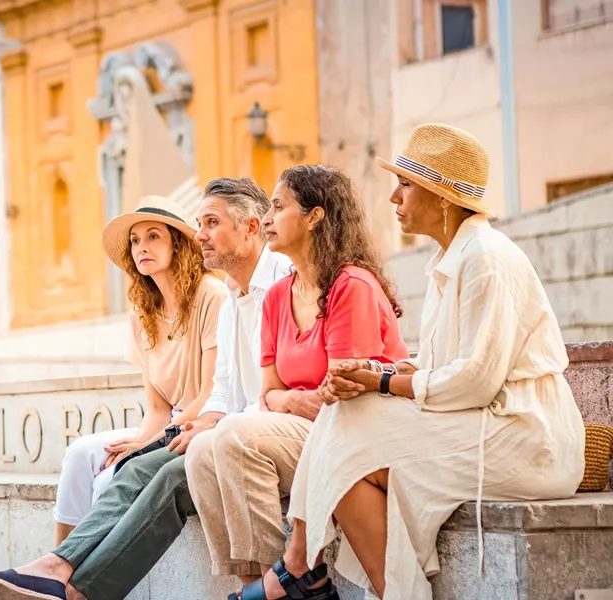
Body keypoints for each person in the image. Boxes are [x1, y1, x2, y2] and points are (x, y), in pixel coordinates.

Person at [270, 124, 585, 600]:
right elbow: (439, 364)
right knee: (345, 444)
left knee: (348, 429)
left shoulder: (486, 259)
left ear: (442, 197)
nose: (394, 197)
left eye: (406, 184)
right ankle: (389, 589)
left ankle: (303, 562)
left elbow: (476, 381)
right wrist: (373, 372)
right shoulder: (452, 258)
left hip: (526, 438)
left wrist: (379, 384)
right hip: (482, 424)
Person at [0, 180, 289, 600]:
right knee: (117, 463)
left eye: (211, 223)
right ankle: (55, 568)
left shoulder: (240, 292)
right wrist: (183, 430)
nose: (200, 234)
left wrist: (190, 429)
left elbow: (233, 394)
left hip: (248, 433)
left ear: (251, 228)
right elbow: (211, 396)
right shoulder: (224, 297)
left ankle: (72, 589)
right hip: (217, 426)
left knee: (165, 473)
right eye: (135, 240)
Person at [220, 165, 408, 600]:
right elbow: (268, 393)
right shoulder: (276, 296)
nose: (267, 218)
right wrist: (292, 401)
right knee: (202, 453)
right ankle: (265, 579)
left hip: (361, 434)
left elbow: (342, 394)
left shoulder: (351, 286)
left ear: (314, 216)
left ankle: (297, 572)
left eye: (278, 207)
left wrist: (286, 400)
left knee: (233, 434)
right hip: (308, 429)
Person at [48, 195, 228, 545]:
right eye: (134, 240)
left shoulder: (211, 295)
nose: (141, 247)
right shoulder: (141, 314)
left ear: (177, 244)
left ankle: (75, 568)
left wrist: (146, 446)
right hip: (170, 423)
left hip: (203, 425)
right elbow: (158, 407)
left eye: (153, 236)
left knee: (110, 478)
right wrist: (139, 442)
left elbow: (210, 395)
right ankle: (55, 561)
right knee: (80, 454)